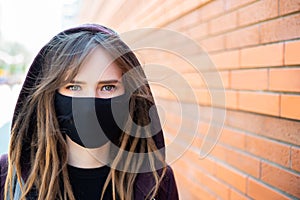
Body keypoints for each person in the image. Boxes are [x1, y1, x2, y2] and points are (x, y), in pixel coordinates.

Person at [0, 24, 178, 200]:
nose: (90, 104)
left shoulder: (157, 182)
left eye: (108, 87)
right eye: (74, 87)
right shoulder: (7, 176)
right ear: (51, 96)